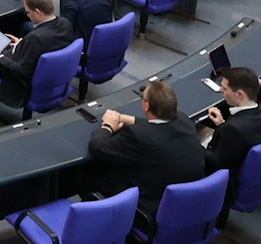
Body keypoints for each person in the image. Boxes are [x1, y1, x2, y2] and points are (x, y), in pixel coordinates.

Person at [88, 79, 207, 209]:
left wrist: (108, 126)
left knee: (89, 173)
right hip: (187, 202)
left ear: (146, 105)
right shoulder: (183, 119)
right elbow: (158, 127)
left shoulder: (138, 135)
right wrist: (130, 119)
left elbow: (98, 148)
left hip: (151, 204)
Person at [201, 67, 261, 214]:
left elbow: (216, 163)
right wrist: (222, 124)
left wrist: (193, 144)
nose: (221, 91)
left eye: (225, 89)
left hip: (230, 182)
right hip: (257, 174)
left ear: (239, 94)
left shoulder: (233, 129)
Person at [0, 0, 74, 111]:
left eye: (28, 12)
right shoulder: (65, 23)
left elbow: (21, 71)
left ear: (38, 12)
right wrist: (21, 43)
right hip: (51, 74)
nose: (27, 15)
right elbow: (46, 45)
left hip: (22, 81)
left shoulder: (36, 38)